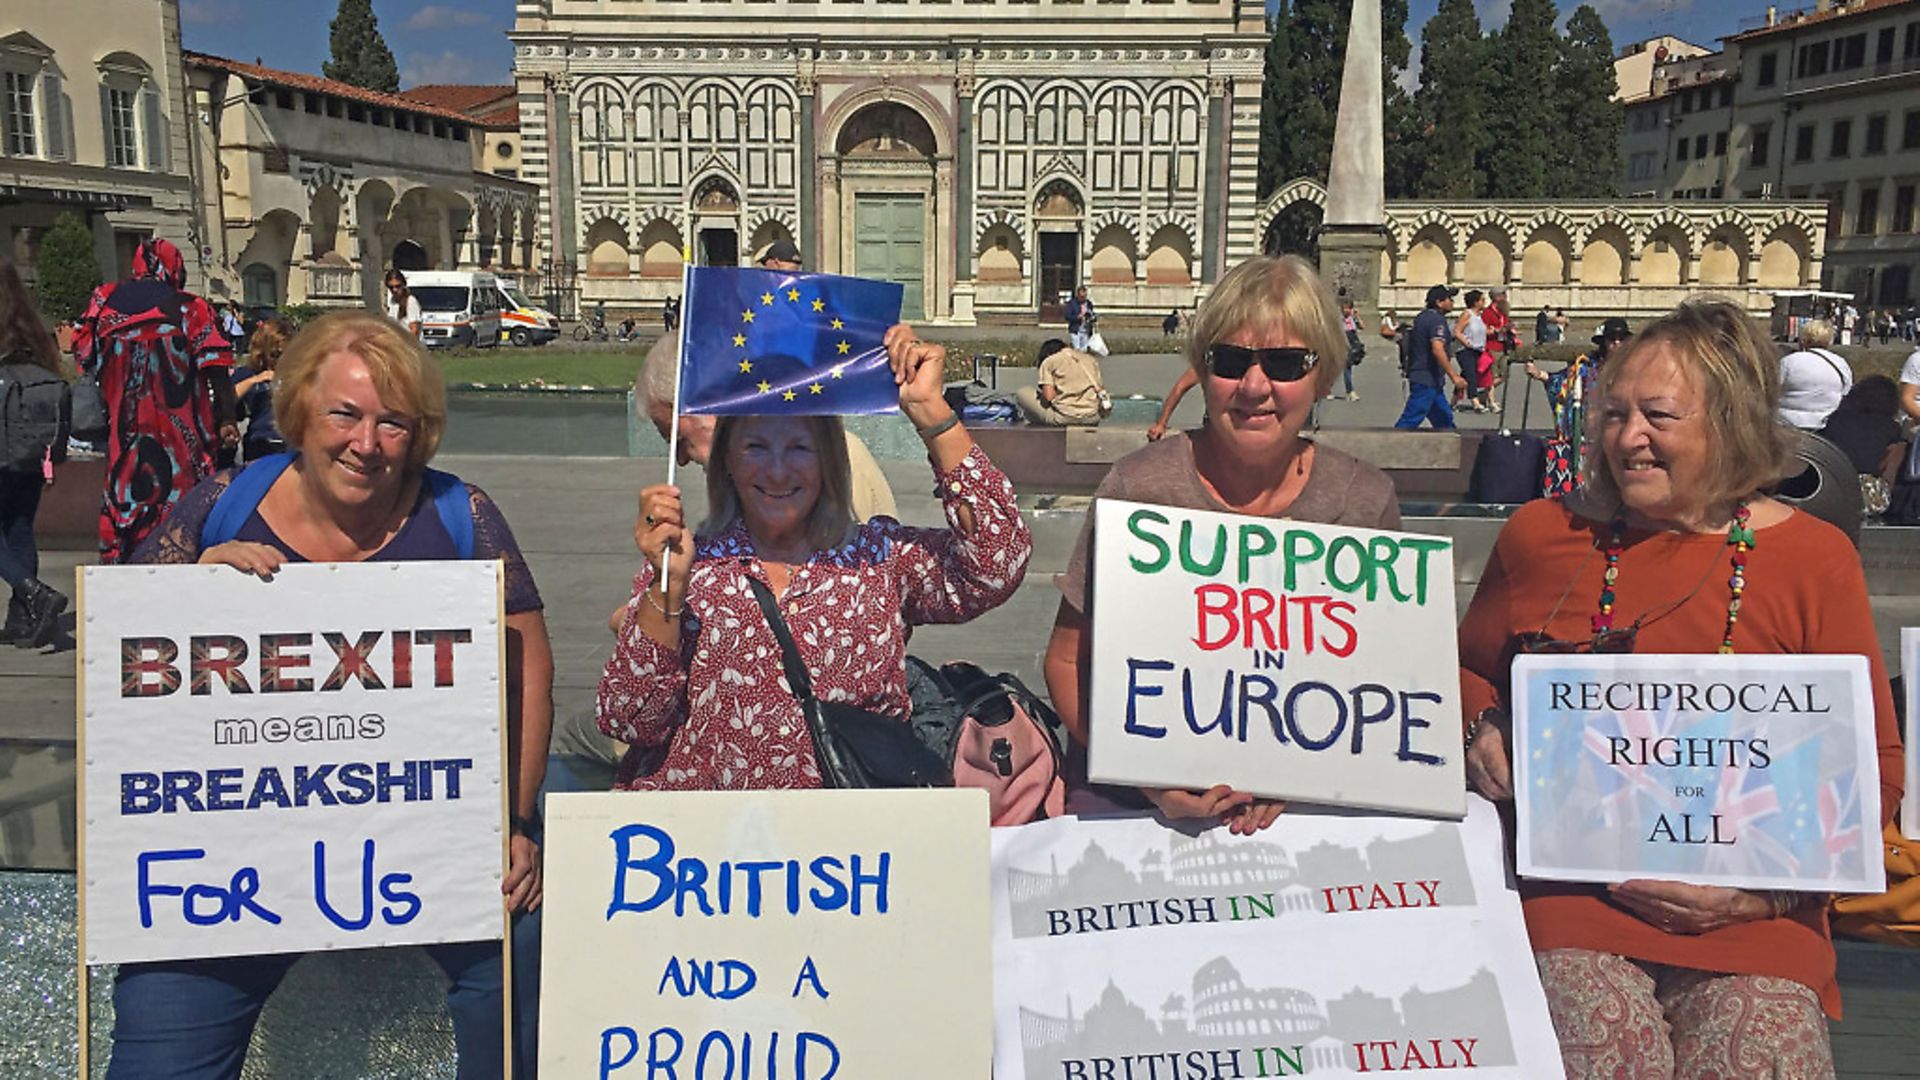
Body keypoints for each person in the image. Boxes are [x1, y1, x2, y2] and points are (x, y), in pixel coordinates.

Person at [1458, 298, 1903, 1078]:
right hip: (1571, 899)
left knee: (1761, 1054)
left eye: (1658, 416)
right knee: (1601, 1052)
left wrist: (1758, 899)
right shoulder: (1541, 534)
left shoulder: (1814, 560)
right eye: (1615, 413)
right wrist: (1482, 725)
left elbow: (1873, 765)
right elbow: (1462, 672)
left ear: (1730, 423)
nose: (1628, 439)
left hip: (1759, 913)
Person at [112, 310, 551, 1079]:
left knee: (520, 965)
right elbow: (119, 650)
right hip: (239, 850)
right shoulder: (218, 505)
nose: (368, 443)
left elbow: (527, 672)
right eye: (346, 413)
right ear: (299, 411)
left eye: (395, 423)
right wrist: (190, 593)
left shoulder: (460, 515)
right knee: (163, 1028)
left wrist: (516, 822)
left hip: (426, 835)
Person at [1043, 255, 1401, 834]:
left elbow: (1383, 689)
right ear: (1203, 372)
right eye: (1231, 361)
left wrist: (1302, 775)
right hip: (1139, 808)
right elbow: (1065, 660)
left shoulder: (1363, 502)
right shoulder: (1139, 489)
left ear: (1325, 376)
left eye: (1286, 363)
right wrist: (1148, 779)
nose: (1255, 387)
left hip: (1305, 810)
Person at [597, 324, 1033, 791]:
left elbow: (996, 560)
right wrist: (668, 590)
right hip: (712, 854)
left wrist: (932, 414)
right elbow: (629, 718)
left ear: (828, 459)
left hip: (838, 853)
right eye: (756, 447)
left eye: (799, 448)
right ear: (727, 458)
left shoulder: (876, 559)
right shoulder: (692, 564)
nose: (778, 470)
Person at [74, 237, 236, 564]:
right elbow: (218, 371)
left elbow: (83, 356)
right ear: (176, 267)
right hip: (183, 441)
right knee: (186, 516)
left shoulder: (103, 304)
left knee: (127, 510)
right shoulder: (191, 308)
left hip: (125, 436)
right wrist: (228, 418)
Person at [0, 258, 71, 649]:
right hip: (31, 446)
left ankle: (35, 594)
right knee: (18, 527)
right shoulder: (30, 331)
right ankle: (24, 622)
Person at [1523, 316, 1630, 498]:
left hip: (1622, 434)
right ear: (1604, 342)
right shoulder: (1589, 366)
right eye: (1612, 339)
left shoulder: (1634, 368)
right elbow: (1565, 382)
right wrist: (1540, 374)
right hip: (1590, 435)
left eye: (1621, 339)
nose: (1616, 343)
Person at [1395, 284, 1467, 430]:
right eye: (1449, 299)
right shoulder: (1436, 320)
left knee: (1444, 419)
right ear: (1439, 302)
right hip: (1426, 378)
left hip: (1431, 379)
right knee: (1411, 418)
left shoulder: (1422, 317)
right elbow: (1437, 349)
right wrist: (1454, 376)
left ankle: (1450, 447)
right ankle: (1389, 446)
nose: (1452, 302)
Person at [230, 317, 292, 462]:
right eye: (276, 355)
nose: (282, 360)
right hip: (260, 442)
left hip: (292, 443)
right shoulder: (247, 373)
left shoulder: (298, 373)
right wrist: (254, 381)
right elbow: (225, 402)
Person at [1776, 319, 1852, 431]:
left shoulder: (1789, 361)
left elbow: (1773, 389)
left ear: (1803, 339)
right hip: (1826, 423)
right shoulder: (1840, 363)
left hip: (1788, 423)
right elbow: (1846, 391)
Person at [1016, 338, 1107, 426]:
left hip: (1064, 418)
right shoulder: (1090, 359)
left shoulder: (1050, 361)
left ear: (1047, 354)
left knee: (1023, 393)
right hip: (1092, 418)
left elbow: (1048, 397)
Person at [382, 269, 422, 338]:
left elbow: (415, 330)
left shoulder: (411, 301)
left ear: (403, 285)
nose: (394, 290)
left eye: (398, 286)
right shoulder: (392, 302)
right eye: (391, 287)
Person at [1337, 297, 1363, 401]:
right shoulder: (1339, 319)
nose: (1346, 310)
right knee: (1346, 367)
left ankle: (1327, 387)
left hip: (1353, 345)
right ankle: (1350, 391)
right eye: (1344, 308)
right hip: (1343, 344)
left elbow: (1362, 327)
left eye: (1348, 308)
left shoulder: (1353, 319)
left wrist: (1357, 316)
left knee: (1348, 368)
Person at [1065, 285, 1096, 353]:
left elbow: (1092, 314)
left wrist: (1092, 317)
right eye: (1081, 297)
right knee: (1077, 350)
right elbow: (1067, 316)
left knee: (1084, 351)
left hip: (1086, 331)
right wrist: (1077, 317)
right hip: (1075, 330)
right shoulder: (1072, 303)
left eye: (1084, 296)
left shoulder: (1089, 303)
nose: (1083, 299)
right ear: (1078, 295)